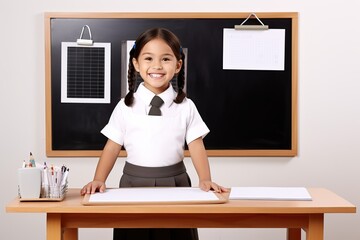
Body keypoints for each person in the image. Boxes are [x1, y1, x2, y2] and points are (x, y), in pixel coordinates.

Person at [81, 27, 228, 240]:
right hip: (133, 185)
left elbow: (196, 145)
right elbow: (112, 147)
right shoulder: (125, 106)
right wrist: (98, 179)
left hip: (176, 184)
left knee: (177, 234)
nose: (157, 66)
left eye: (166, 59)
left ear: (178, 65)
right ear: (136, 63)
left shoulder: (186, 106)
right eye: (148, 58)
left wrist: (205, 179)